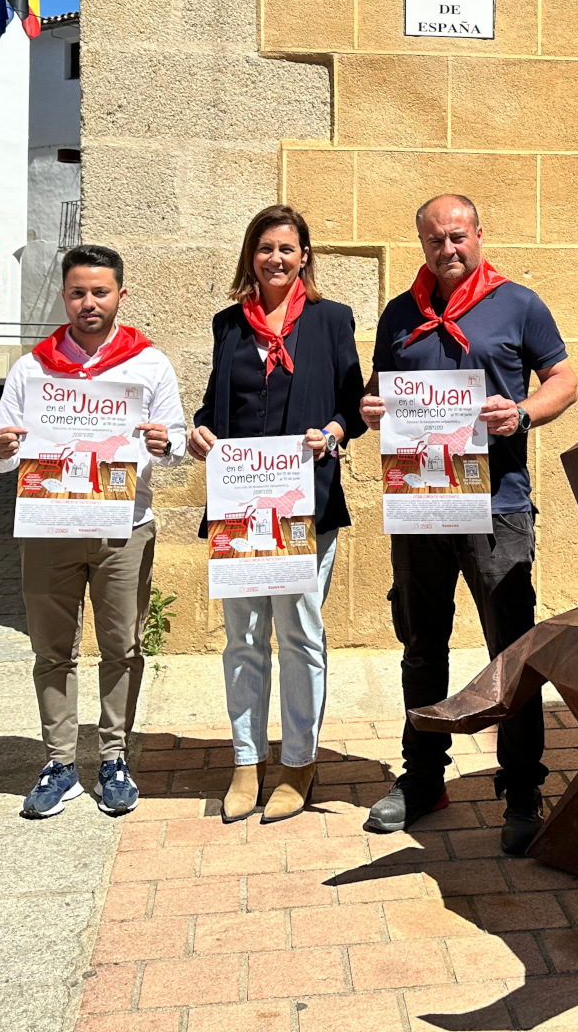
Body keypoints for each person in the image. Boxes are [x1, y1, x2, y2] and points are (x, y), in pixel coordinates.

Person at [360, 194, 578, 854]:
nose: (447, 249)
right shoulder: (400, 313)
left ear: (479, 234)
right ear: (422, 244)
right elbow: (378, 388)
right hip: (420, 505)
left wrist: (525, 413)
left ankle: (522, 787)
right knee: (421, 645)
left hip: (497, 507)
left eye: (457, 236)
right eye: (435, 240)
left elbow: (564, 381)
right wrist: (373, 409)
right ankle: (424, 778)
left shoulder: (519, 304)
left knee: (511, 652)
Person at [0, 244, 186, 818]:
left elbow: (175, 445)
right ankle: (60, 762)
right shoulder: (32, 368)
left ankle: (115, 757)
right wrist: (3, 448)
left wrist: (164, 442)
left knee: (122, 646)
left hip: (124, 527)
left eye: (100, 291)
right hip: (49, 526)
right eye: (77, 293)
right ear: (64, 297)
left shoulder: (149, 364)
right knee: (52, 650)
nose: (88, 302)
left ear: (121, 294)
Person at [188, 206, 366, 823]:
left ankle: (297, 762)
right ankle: (246, 760)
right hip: (239, 508)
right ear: (251, 255)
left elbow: (353, 403)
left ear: (304, 256)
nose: (276, 259)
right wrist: (200, 431)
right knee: (242, 638)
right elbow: (216, 404)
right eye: (265, 248)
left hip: (303, 505)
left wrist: (334, 433)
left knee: (299, 636)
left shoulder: (331, 319)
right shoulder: (228, 324)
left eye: (287, 249)